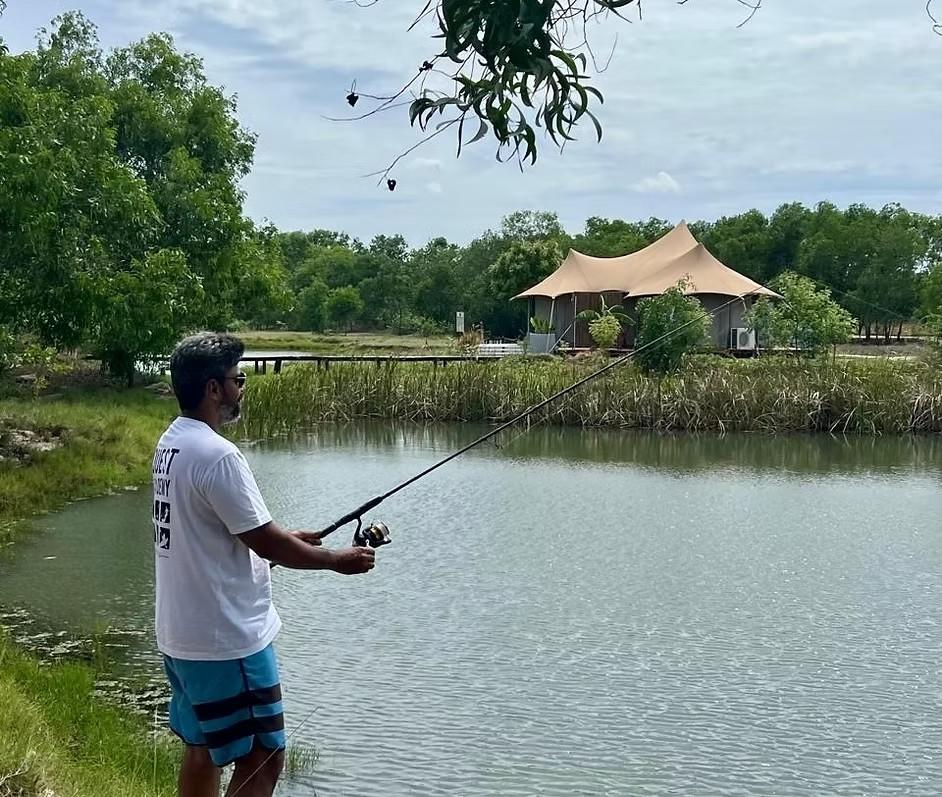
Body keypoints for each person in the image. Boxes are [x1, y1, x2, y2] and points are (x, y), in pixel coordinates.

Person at [153, 332, 375, 797]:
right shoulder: (219, 455)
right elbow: (264, 542)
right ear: (214, 389)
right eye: (238, 379)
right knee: (265, 755)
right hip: (227, 643)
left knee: (202, 748)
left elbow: (219, 535)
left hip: (180, 634)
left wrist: (282, 539)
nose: (242, 389)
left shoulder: (171, 444)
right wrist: (335, 560)